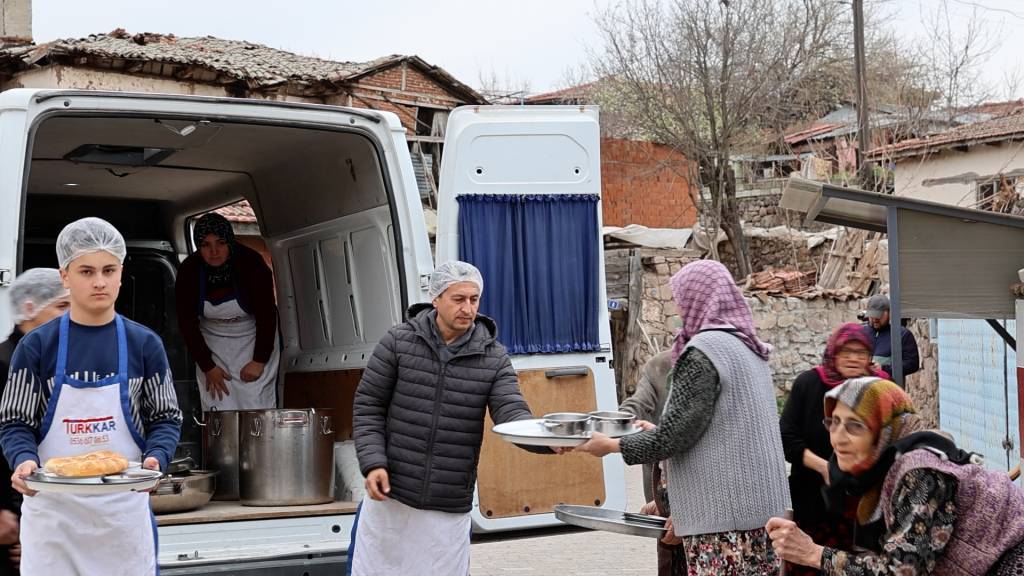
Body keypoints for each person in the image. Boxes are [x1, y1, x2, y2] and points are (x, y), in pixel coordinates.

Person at [575, 260, 791, 575]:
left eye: (680, 300)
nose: (678, 309)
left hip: (723, 523)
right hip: (763, 515)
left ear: (698, 299)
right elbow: (721, 429)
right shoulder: (749, 348)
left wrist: (611, 445)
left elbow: (675, 436)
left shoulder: (703, 351)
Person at [0, 217, 183, 575]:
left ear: (120, 274)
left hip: (122, 518)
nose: (99, 281)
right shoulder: (36, 346)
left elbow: (165, 417)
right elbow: (15, 422)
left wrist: (156, 457)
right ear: (65, 276)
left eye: (108, 270)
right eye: (86, 271)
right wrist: (22, 459)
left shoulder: (144, 344)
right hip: (53, 520)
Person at [349, 261, 549, 576]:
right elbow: (369, 405)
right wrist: (373, 463)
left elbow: (511, 412)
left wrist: (549, 440)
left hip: (447, 501)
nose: (467, 308)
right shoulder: (398, 342)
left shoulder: (493, 357)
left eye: (474, 299)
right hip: (392, 495)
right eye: (458, 299)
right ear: (436, 298)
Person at [767, 377, 1024, 575]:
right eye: (834, 422)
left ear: (886, 430)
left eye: (855, 425)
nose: (838, 437)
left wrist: (812, 553)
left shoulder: (922, 473)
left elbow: (901, 570)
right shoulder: (874, 476)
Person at [779, 323, 889, 576]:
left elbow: (893, 435)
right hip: (813, 501)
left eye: (861, 352)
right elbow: (786, 437)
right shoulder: (809, 383)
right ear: (832, 352)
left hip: (863, 503)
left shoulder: (880, 388)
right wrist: (824, 467)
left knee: (860, 567)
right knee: (808, 564)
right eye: (846, 351)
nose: (853, 358)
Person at [0, 268, 70, 574]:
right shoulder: (4, 363)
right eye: (62, 306)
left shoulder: (54, 362)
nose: (70, 316)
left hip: (47, 511)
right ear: (30, 308)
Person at [175, 212, 279, 411]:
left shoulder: (252, 264)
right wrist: (208, 366)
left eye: (220, 243)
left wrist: (259, 361)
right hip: (212, 343)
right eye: (206, 245)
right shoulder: (189, 271)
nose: (214, 251)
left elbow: (267, 316)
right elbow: (187, 323)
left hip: (253, 339)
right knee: (219, 404)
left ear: (230, 242)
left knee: (255, 403)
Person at [619, 350, 682, 576]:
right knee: (670, 561)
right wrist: (616, 422)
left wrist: (613, 445)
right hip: (665, 494)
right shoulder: (660, 365)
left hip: (703, 506)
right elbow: (636, 404)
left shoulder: (710, 362)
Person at [863, 295, 919, 378]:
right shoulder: (861, 332)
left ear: (889, 313)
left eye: (878, 315)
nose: (874, 319)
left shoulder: (902, 334)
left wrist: (884, 368)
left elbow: (912, 364)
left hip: (890, 385)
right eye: (872, 315)